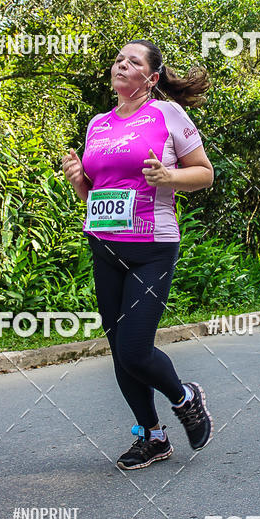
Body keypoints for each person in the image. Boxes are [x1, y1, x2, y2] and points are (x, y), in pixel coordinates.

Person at [62, 39, 214, 470]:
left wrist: (169, 175)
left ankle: (186, 398)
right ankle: (152, 436)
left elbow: (204, 173)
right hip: (104, 246)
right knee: (118, 348)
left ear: (150, 77)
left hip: (152, 248)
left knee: (134, 349)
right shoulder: (98, 124)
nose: (121, 65)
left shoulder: (167, 114)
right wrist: (78, 180)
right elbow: (95, 194)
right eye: (117, 59)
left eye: (133, 61)